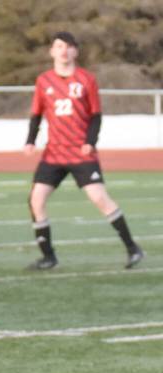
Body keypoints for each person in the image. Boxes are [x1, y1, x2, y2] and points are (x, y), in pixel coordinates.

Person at [24, 31, 144, 270]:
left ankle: (133, 248)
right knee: (36, 200)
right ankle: (48, 257)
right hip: (54, 153)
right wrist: (30, 140)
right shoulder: (43, 81)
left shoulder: (86, 79)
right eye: (58, 46)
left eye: (68, 46)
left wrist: (91, 141)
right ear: (51, 51)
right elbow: (36, 114)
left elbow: (96, 115)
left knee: (100, 198)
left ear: (75, 51)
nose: (63, 51)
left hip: (81, 153)